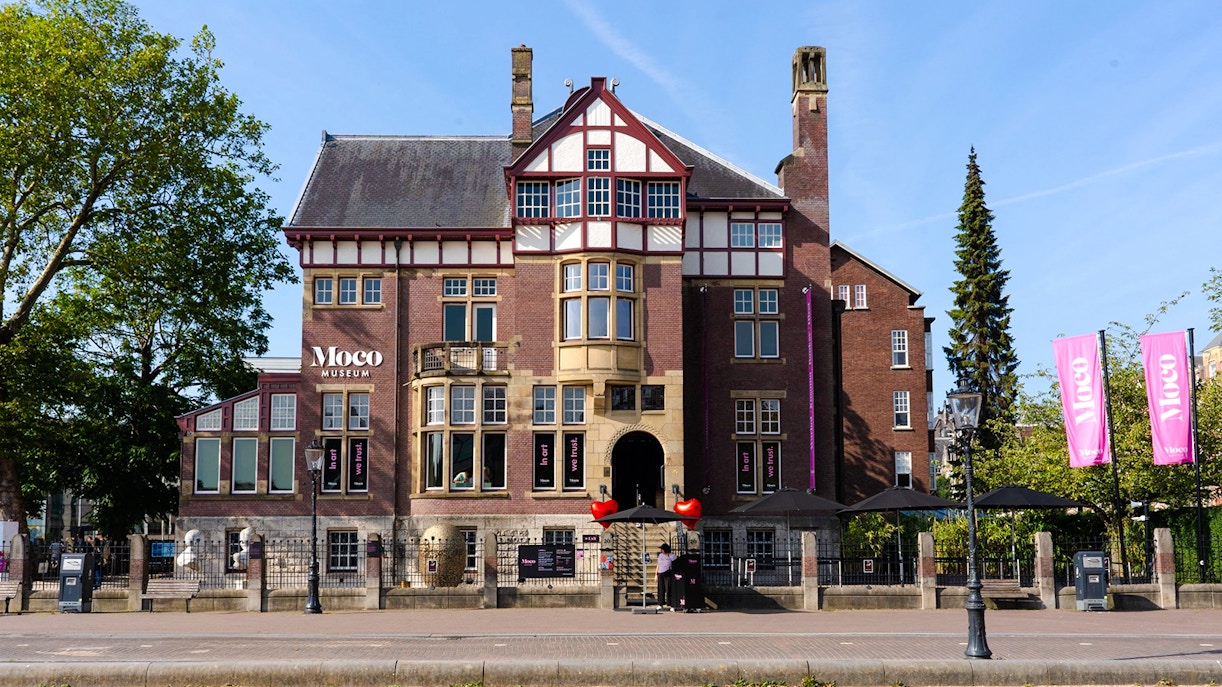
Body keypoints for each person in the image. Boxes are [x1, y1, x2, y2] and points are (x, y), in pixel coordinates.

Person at [655, 543, 677, 610]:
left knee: (669, 589)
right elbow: (658, 565)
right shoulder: (660, 556)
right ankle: (660, 604)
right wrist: (656, 574)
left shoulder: (672, 556)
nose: (661, 550)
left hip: (668, 573)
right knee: (661, 589)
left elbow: (675, 565)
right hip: (661, 573)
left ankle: (671, 604)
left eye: (662, 549)